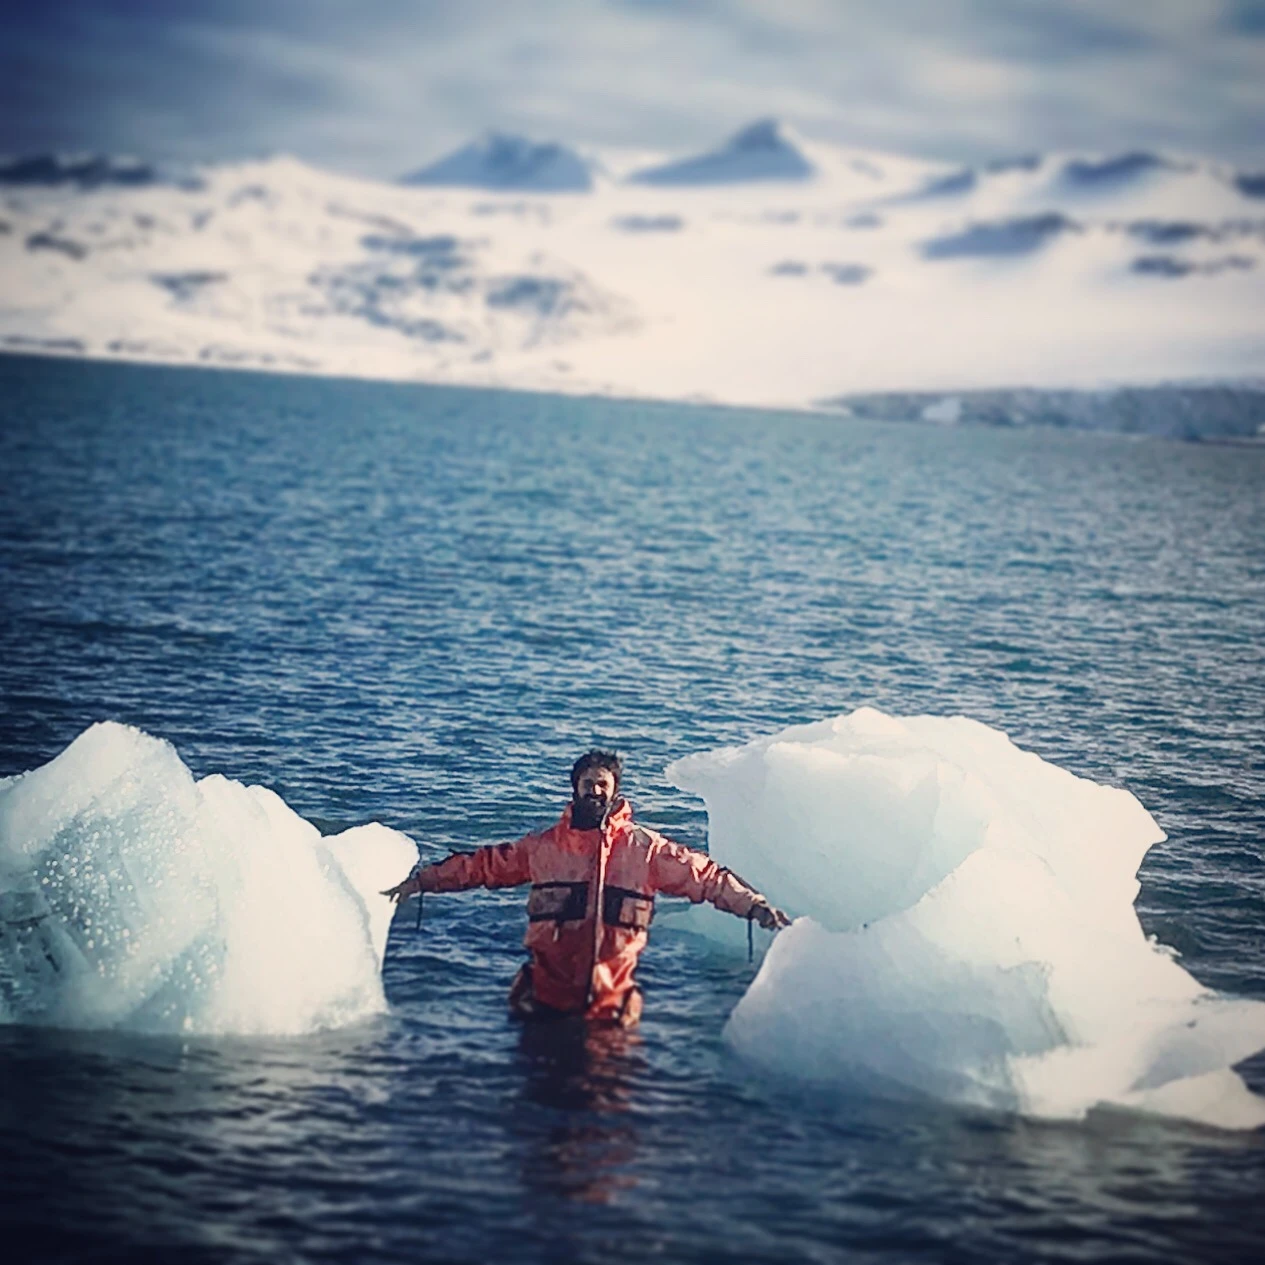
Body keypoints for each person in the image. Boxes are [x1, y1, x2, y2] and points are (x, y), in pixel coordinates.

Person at [382, 749, 791, 1026]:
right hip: (544, 1005)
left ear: (615, 794)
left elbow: (706, 878)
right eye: (588, 783)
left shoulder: (645, 850)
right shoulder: (543, 849)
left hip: (612, 1015)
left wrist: (753, 906)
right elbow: (482, 867)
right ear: (574, 787)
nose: (594, 790)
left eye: (602, 785)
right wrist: (423, 881)